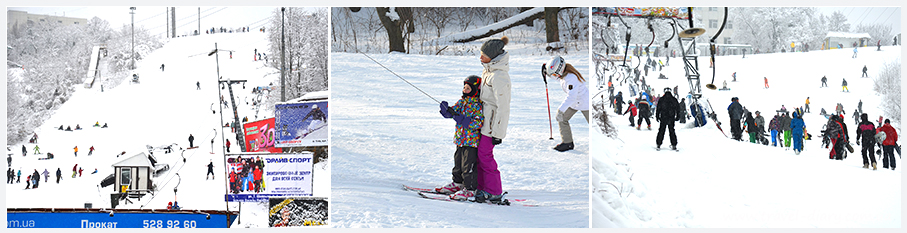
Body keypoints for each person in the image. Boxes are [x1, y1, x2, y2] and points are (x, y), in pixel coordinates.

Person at [435, 76, 485, 200]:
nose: (464, 90)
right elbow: (453, 113)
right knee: (458, 163)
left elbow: (478, 123)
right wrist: (446, 111)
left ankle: (470, 189)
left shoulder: (478, 105)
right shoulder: (462, 102)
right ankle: (457, 183)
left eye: (468, 88)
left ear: (475, 90)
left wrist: (463, 119)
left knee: (468, 166)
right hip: (460, 139)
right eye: (464, 87)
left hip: (471, 141)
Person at [474, 36, 510, 203]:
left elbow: (503, 107)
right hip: (483, 121)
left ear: (493, 57)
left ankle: (494, 191)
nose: (480, 57)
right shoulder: (488, 70)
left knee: (485, 155)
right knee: (479, 156)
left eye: (484, 54)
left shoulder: (499, 77)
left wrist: (498, 133)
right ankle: (481, 188)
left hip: (491, 125)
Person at [543, 56, 589, 152]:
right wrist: (547, 72)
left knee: (593, 124)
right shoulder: (564, 74)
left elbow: (571, 97)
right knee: (562, 118)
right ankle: (567, 143)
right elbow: (557, 78)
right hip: (575, 103)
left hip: (585, 103)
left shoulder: (571, 78)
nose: (555, 76)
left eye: (555, 74)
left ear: (559, 70)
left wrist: (561, 109)